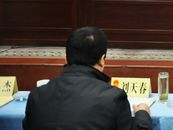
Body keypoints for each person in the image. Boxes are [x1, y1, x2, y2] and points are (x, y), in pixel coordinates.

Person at [23, 26, 152, 130]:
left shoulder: (36, 95)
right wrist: (142, 114)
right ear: (102, 60)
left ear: (66, 59)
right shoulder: (114, 97)